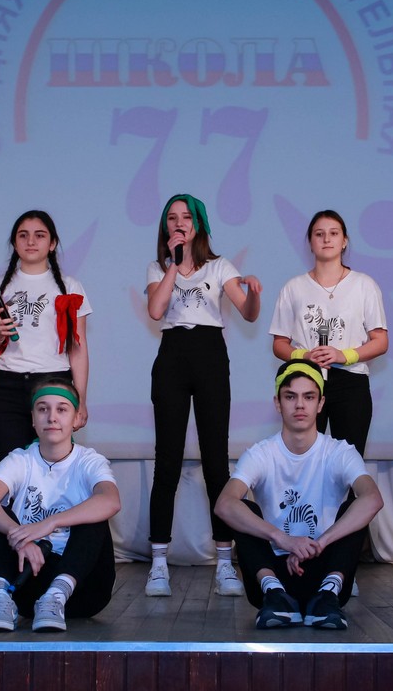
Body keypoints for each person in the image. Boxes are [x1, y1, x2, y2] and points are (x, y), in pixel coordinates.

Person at [144, 193, 261, 598]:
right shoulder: (158, 268)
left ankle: (225, 563)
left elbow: (248, 313)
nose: (179, 223)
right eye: (171, 218)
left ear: (199, 224)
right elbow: (156, 311)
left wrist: (253, 292)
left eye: (186, 217)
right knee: (167, 462)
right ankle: (159, 564)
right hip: (172, 356)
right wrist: (174, 266)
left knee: (216, 461)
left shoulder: (220, 265)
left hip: (210, 356)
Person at [215, 360, 383, 630]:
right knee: (241, 508)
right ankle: (275, 595)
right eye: (290, 397)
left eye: (309, 397)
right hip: (273, 572)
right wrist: (284, 539)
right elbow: (224, 504)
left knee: (356, 507)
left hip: (323, 568)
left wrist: (320, 543)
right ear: (277, 403)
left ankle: (328, 596)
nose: (300, 405)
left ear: (321, 403)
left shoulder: (340, 452)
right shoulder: (260, 453)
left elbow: (373, 499)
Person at [0, 379, 119, 633]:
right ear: (33, 418)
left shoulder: (89, 461)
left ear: (76, 418)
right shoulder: (20, 459)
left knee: (93, 514)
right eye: (42, 409)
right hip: (28, 579)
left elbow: (111, 500)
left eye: (62, 409)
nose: (51, 417)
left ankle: (56, 597)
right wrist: (20, 537)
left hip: (81, 590)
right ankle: (1, 599)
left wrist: (49, 524)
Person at [270, 210, 387, 456]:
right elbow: (279, 343)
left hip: (351, 381)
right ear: (310, 242)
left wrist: (344, 355)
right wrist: (305, 356)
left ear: (344, 241)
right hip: (306, 380)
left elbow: (380, 341)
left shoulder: (364, 285)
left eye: (334, 233)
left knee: (349, 461)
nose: (326, 239)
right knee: (305, 458)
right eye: (319, 234)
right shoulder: (293, 288)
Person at [0, 210, 91, 460]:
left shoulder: (70, 286)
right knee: (10, 467)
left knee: (54, 466)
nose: (30, 241)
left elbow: (78, 347)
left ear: (52, 244)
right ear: (14, 242)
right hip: (7, 386)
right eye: (23, 235)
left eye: (39, 235)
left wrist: (81, 400)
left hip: (54, 383)